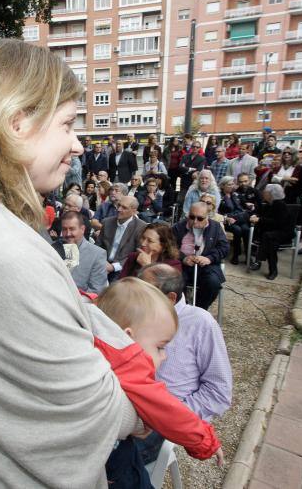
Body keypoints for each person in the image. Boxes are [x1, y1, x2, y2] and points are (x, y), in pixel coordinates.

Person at [0, 39, 156, 487]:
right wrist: (138, 412)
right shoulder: (3, 252)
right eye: (68, 123)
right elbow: (87, 407)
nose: (76, 143)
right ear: (16, 124)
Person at [95, 278, 222, 486]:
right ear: (128, 336)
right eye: (160, 347)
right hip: (113, 462)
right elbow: (167, 410)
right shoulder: (126, 362)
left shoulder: (94, 339)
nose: (164, 356)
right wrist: (206, 442)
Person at [132, 263, 232, 463]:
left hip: (162, 420)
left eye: (145, 293)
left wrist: (170, 415)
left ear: (170, 298)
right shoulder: (137, 312)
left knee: (110, 458)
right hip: (127, 404)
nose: (136, 299)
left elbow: (219, 391)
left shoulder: (201, 324)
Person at [172, 202, 228, 309]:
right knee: (174, 281)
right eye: (192, 217)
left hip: (206, 265)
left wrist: (209, 258)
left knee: (213, 283)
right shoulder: (179, 227)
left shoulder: (215, 227)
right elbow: (170, 246)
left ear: (207, 217)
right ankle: (182, 308)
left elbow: (224, 248)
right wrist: (183, 258)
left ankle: (199, 309)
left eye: (200, 218)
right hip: (183, 264)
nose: (195, 221)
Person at [249, 184, 295, 280]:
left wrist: (259, 220)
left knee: (267, 236)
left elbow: (278, 223)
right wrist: (255, 216)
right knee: (271, 242)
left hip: (284, 233)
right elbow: (260, 214)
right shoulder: (269, 204)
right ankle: (273, 270)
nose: (263, 192)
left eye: (265, 191)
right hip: (272, 235)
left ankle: (258, 260)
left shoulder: (280, 205)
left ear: (270, 194)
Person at [56, 211, 107, 294]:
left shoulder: (97, 254)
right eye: (64, 229)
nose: (68, 233)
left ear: (82, 229)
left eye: (72, 229)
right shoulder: (54, 248)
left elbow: (97, 291)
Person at [98, 195, 148, 280]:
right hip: (102, 264)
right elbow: (98, 245)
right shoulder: (107, 222)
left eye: (124, 208)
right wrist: (101, 261)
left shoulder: (141, 227)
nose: (119, 209)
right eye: (119, 205)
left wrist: (113, 267)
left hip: (123, 269)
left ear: (134, 211)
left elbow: (138, 253)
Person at [218, 176, 250, 265]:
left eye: (233, 184)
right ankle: (236, 254)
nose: (232, 186)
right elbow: (217, 212)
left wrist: (249, 205)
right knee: (237, 230)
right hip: (227, 220)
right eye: (229, 184)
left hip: (237, 218)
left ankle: (248, 255)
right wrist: (226, 218)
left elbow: (243, 207)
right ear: (223, 186)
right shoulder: (219, 196)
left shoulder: (235, 194)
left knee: (246, 229)